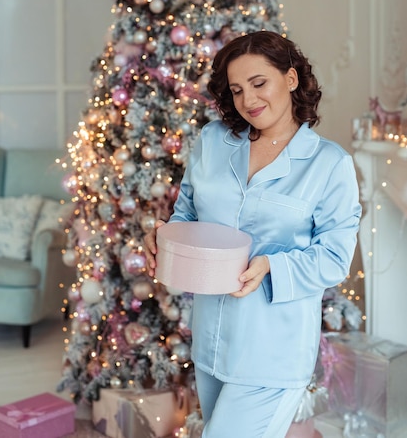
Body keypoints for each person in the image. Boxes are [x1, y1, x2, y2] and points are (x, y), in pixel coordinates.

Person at [144, 30, 361, 438]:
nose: (248, 100)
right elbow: (186, 214)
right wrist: (165, 237)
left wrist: (270, 267)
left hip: (273, 352)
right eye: (238, 89)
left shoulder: (330, 164)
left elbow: (334, 258)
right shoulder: (212, 142)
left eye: (259, 83)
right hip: (211, 339)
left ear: (291, 79)